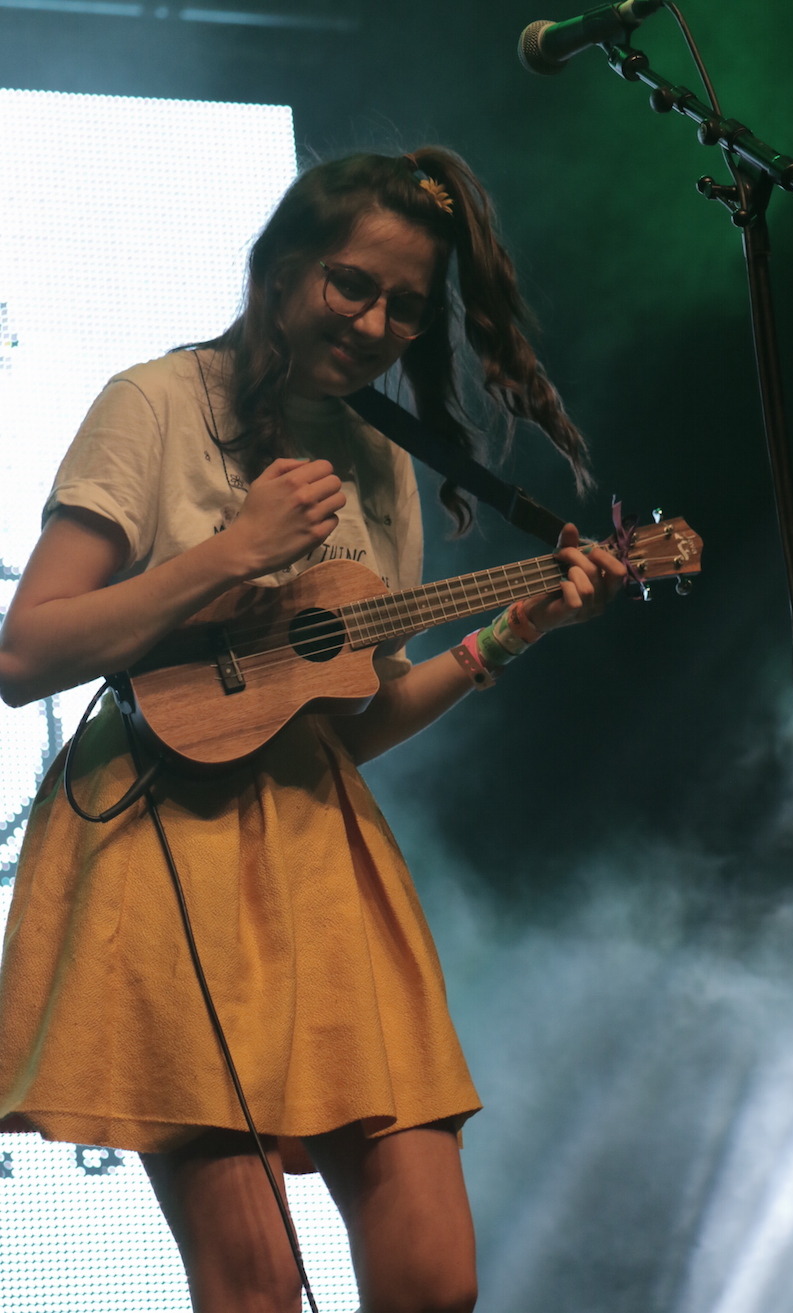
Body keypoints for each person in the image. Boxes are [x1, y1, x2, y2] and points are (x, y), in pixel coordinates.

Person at [0, 148, 626, 1313]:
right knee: (256, 1291)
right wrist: (232, 550)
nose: (379, 321)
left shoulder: (383, 457)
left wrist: (508, 635)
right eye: (352, 285)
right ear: (281, 270)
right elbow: (26, 653)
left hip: (321, 849)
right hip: (160, 841)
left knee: (434, 1276)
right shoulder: (156, 402)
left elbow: (348, 716)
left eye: (405, 304)